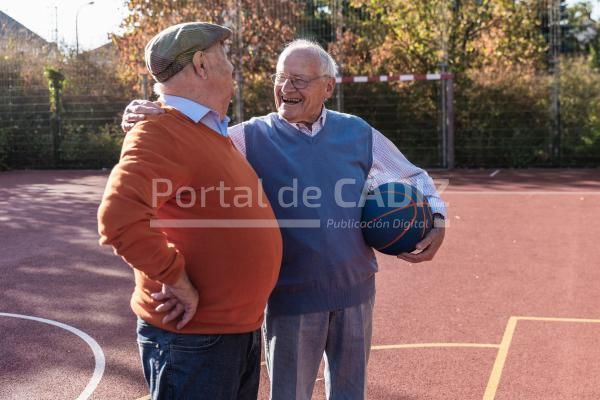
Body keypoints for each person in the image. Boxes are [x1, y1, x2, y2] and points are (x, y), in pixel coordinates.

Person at [123, 39, 447, 400]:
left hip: (356, 293)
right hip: (290, 300)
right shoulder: (246, 137)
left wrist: (437, 218)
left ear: (327, 87)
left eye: (299, 80)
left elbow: (412, 177)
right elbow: (190, 140)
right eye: (281, 77)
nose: (286, 87)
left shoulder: (357, 132)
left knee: (350, 394)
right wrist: (156, 112)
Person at [98, 22, 282, 400]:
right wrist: (175, 278)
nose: (232, 66)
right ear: (201, 64)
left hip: (229, 334)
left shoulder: (211, 132)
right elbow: (118, 219)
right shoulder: (159, 131)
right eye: (225, 55)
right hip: (194, 340)